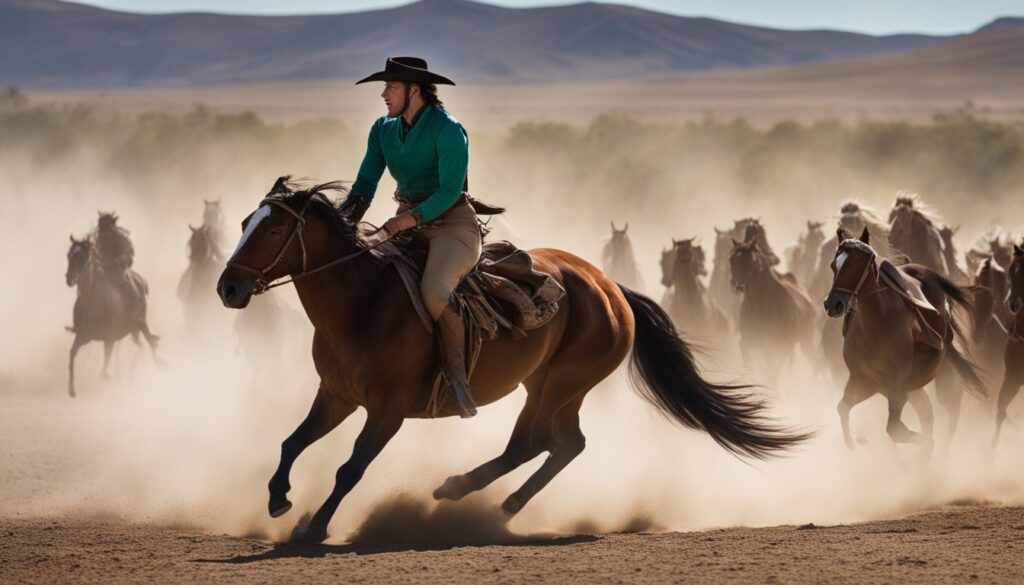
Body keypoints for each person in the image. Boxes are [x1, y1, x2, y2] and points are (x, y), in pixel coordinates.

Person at [340, 56, 482, 418]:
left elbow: (450, 191)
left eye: (391, 87)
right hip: (404, 222)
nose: (384, 94)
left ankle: (456, 380)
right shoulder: (383, 129)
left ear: (413, 89)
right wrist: (346, 221)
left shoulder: (449, 130)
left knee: (434, 293)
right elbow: (366, 183)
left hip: (452, 226)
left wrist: (406, 221)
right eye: (384, 88)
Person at [93, 212, 144, 321]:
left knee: (129, 288)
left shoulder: (121, 237)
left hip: (118, 269)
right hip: (101, 270)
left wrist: (119, 260)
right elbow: (94, 252)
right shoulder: (98, 238)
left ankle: (136, 318)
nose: (103, 229)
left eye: (106, 226)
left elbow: (130, 253)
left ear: (111, 225)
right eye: (102, 226)